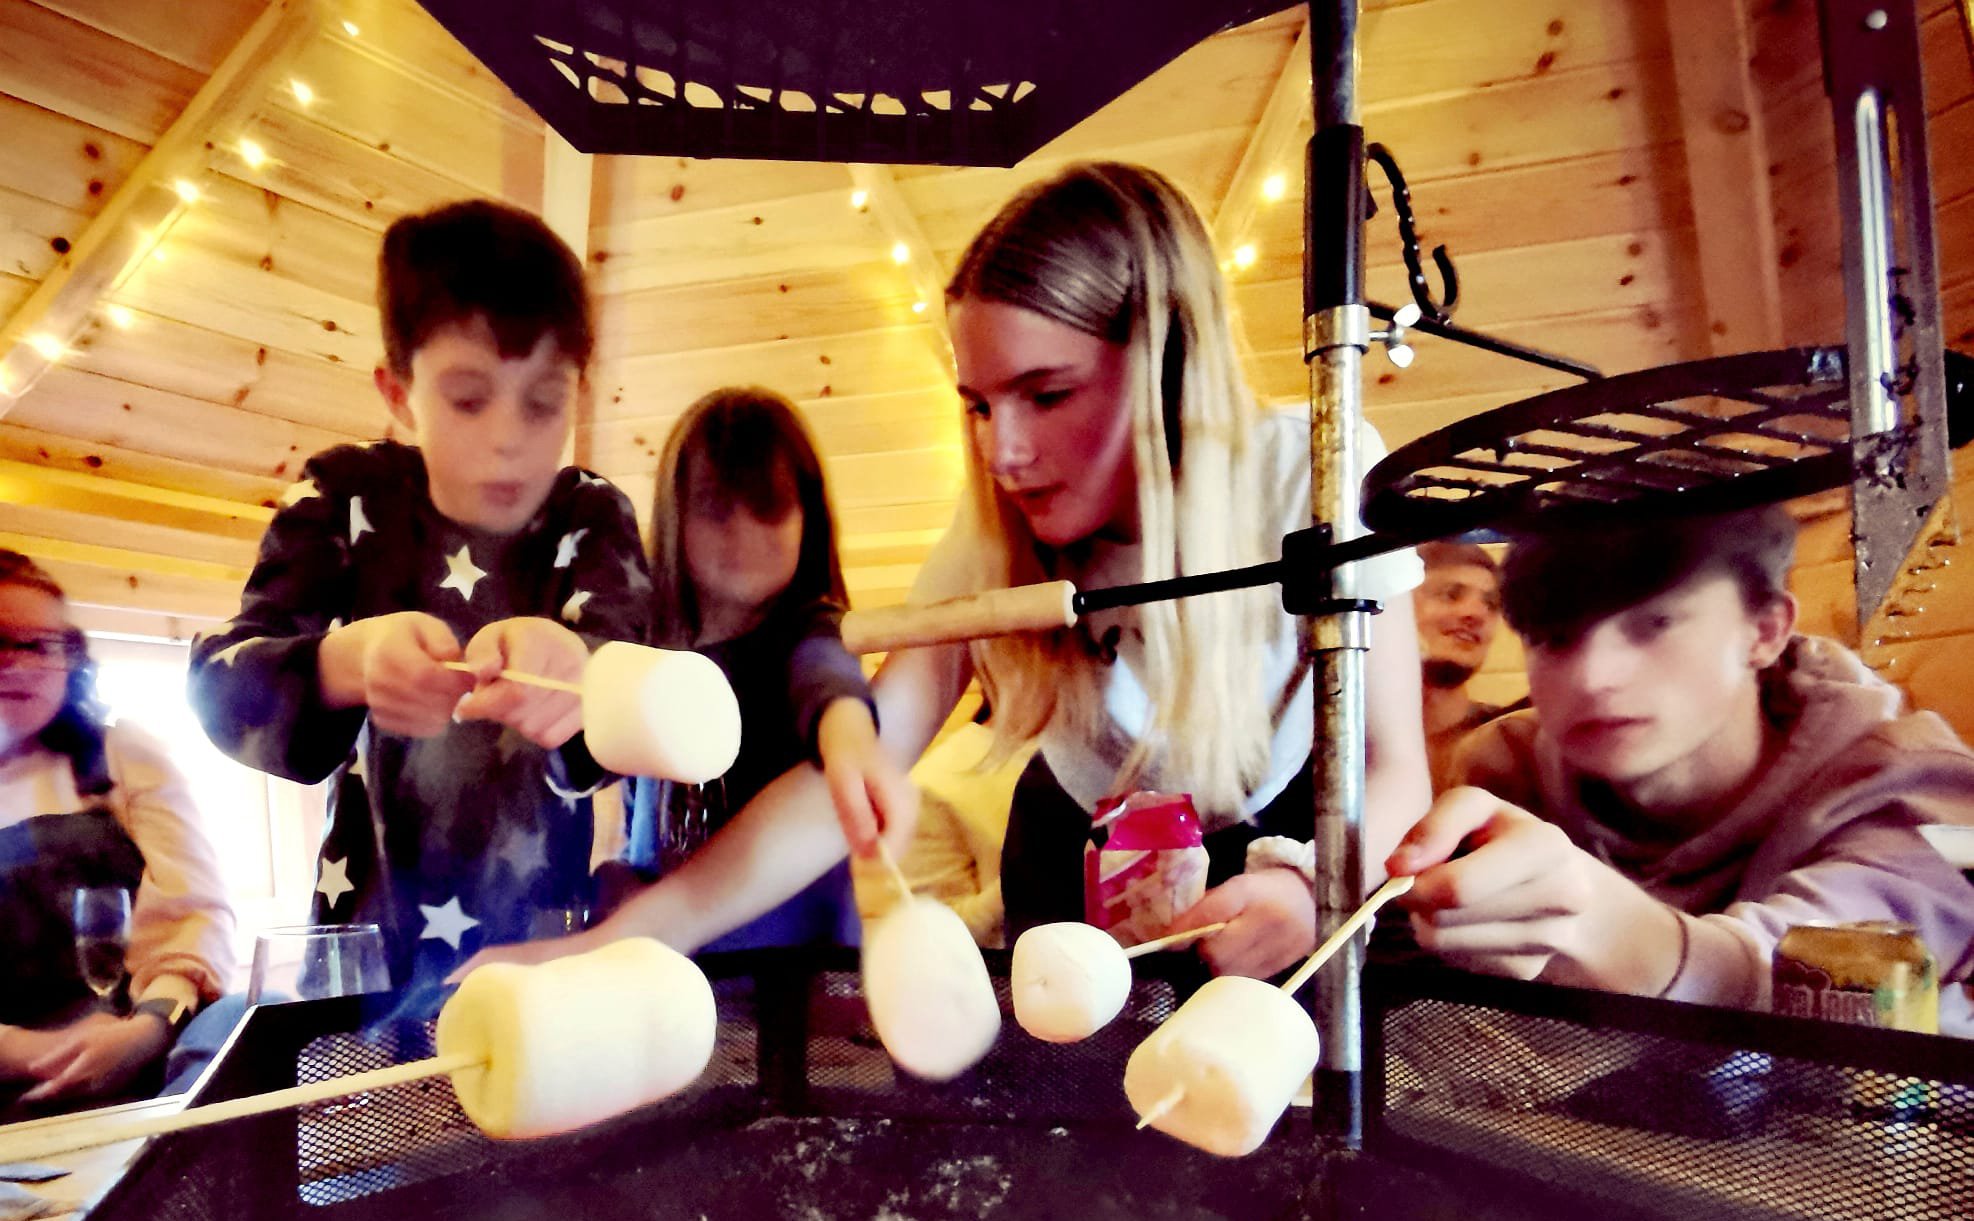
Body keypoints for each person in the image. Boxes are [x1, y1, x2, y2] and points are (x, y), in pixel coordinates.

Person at [465, 162, 1431, 982]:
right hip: (1068, 856)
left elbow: (1395, 765)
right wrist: (618, 943)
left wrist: (1314, 886)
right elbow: (844, 781)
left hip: (1289, 851)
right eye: (977, 403)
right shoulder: (992, 548)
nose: (1005, 452)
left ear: (1167, 362)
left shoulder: (1309, 471)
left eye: (1046, 393)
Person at [189, 200, 649, 1016]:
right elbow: (219, 682)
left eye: (544, 402)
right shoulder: (342, 496)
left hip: (541, 965)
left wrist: (586, 672)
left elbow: (638, 665)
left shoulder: (593, 515)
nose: (510, 438)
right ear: (399, 394)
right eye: (470, 399)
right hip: (361, 969)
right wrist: (347, 663)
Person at [1390, 505, 1974, 1033]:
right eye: (1556, 639)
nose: (1594, 678)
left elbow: (1816, 981)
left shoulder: (1915, 787)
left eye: (1653, 625)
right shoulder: (1505, 769)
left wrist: (1609, 929)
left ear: (1765, 631)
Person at [617, 386, 914, 949]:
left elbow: (828, 677)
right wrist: (621, 883)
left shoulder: (811, 629)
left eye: (770, 506)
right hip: (675, 970)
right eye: (715, 507)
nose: (744, 533)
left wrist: (849, 737)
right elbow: (642, 828)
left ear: (809, 516)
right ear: (676, 515)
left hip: (796, 979)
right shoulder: (649, 664)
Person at [0, 551, 235, 1109]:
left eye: (37, 644)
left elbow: (193, 918)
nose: (16, 664)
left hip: (148, 1068)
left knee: (244, 1018)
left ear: (70, 657)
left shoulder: (122, 757)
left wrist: (147, 1028)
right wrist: (34, 1053)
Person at [1416, 540, 1516, 791]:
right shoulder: (1334, 737)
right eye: (1451, 595)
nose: (1476, 613)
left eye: (1491, 604)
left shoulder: (1511, 744)